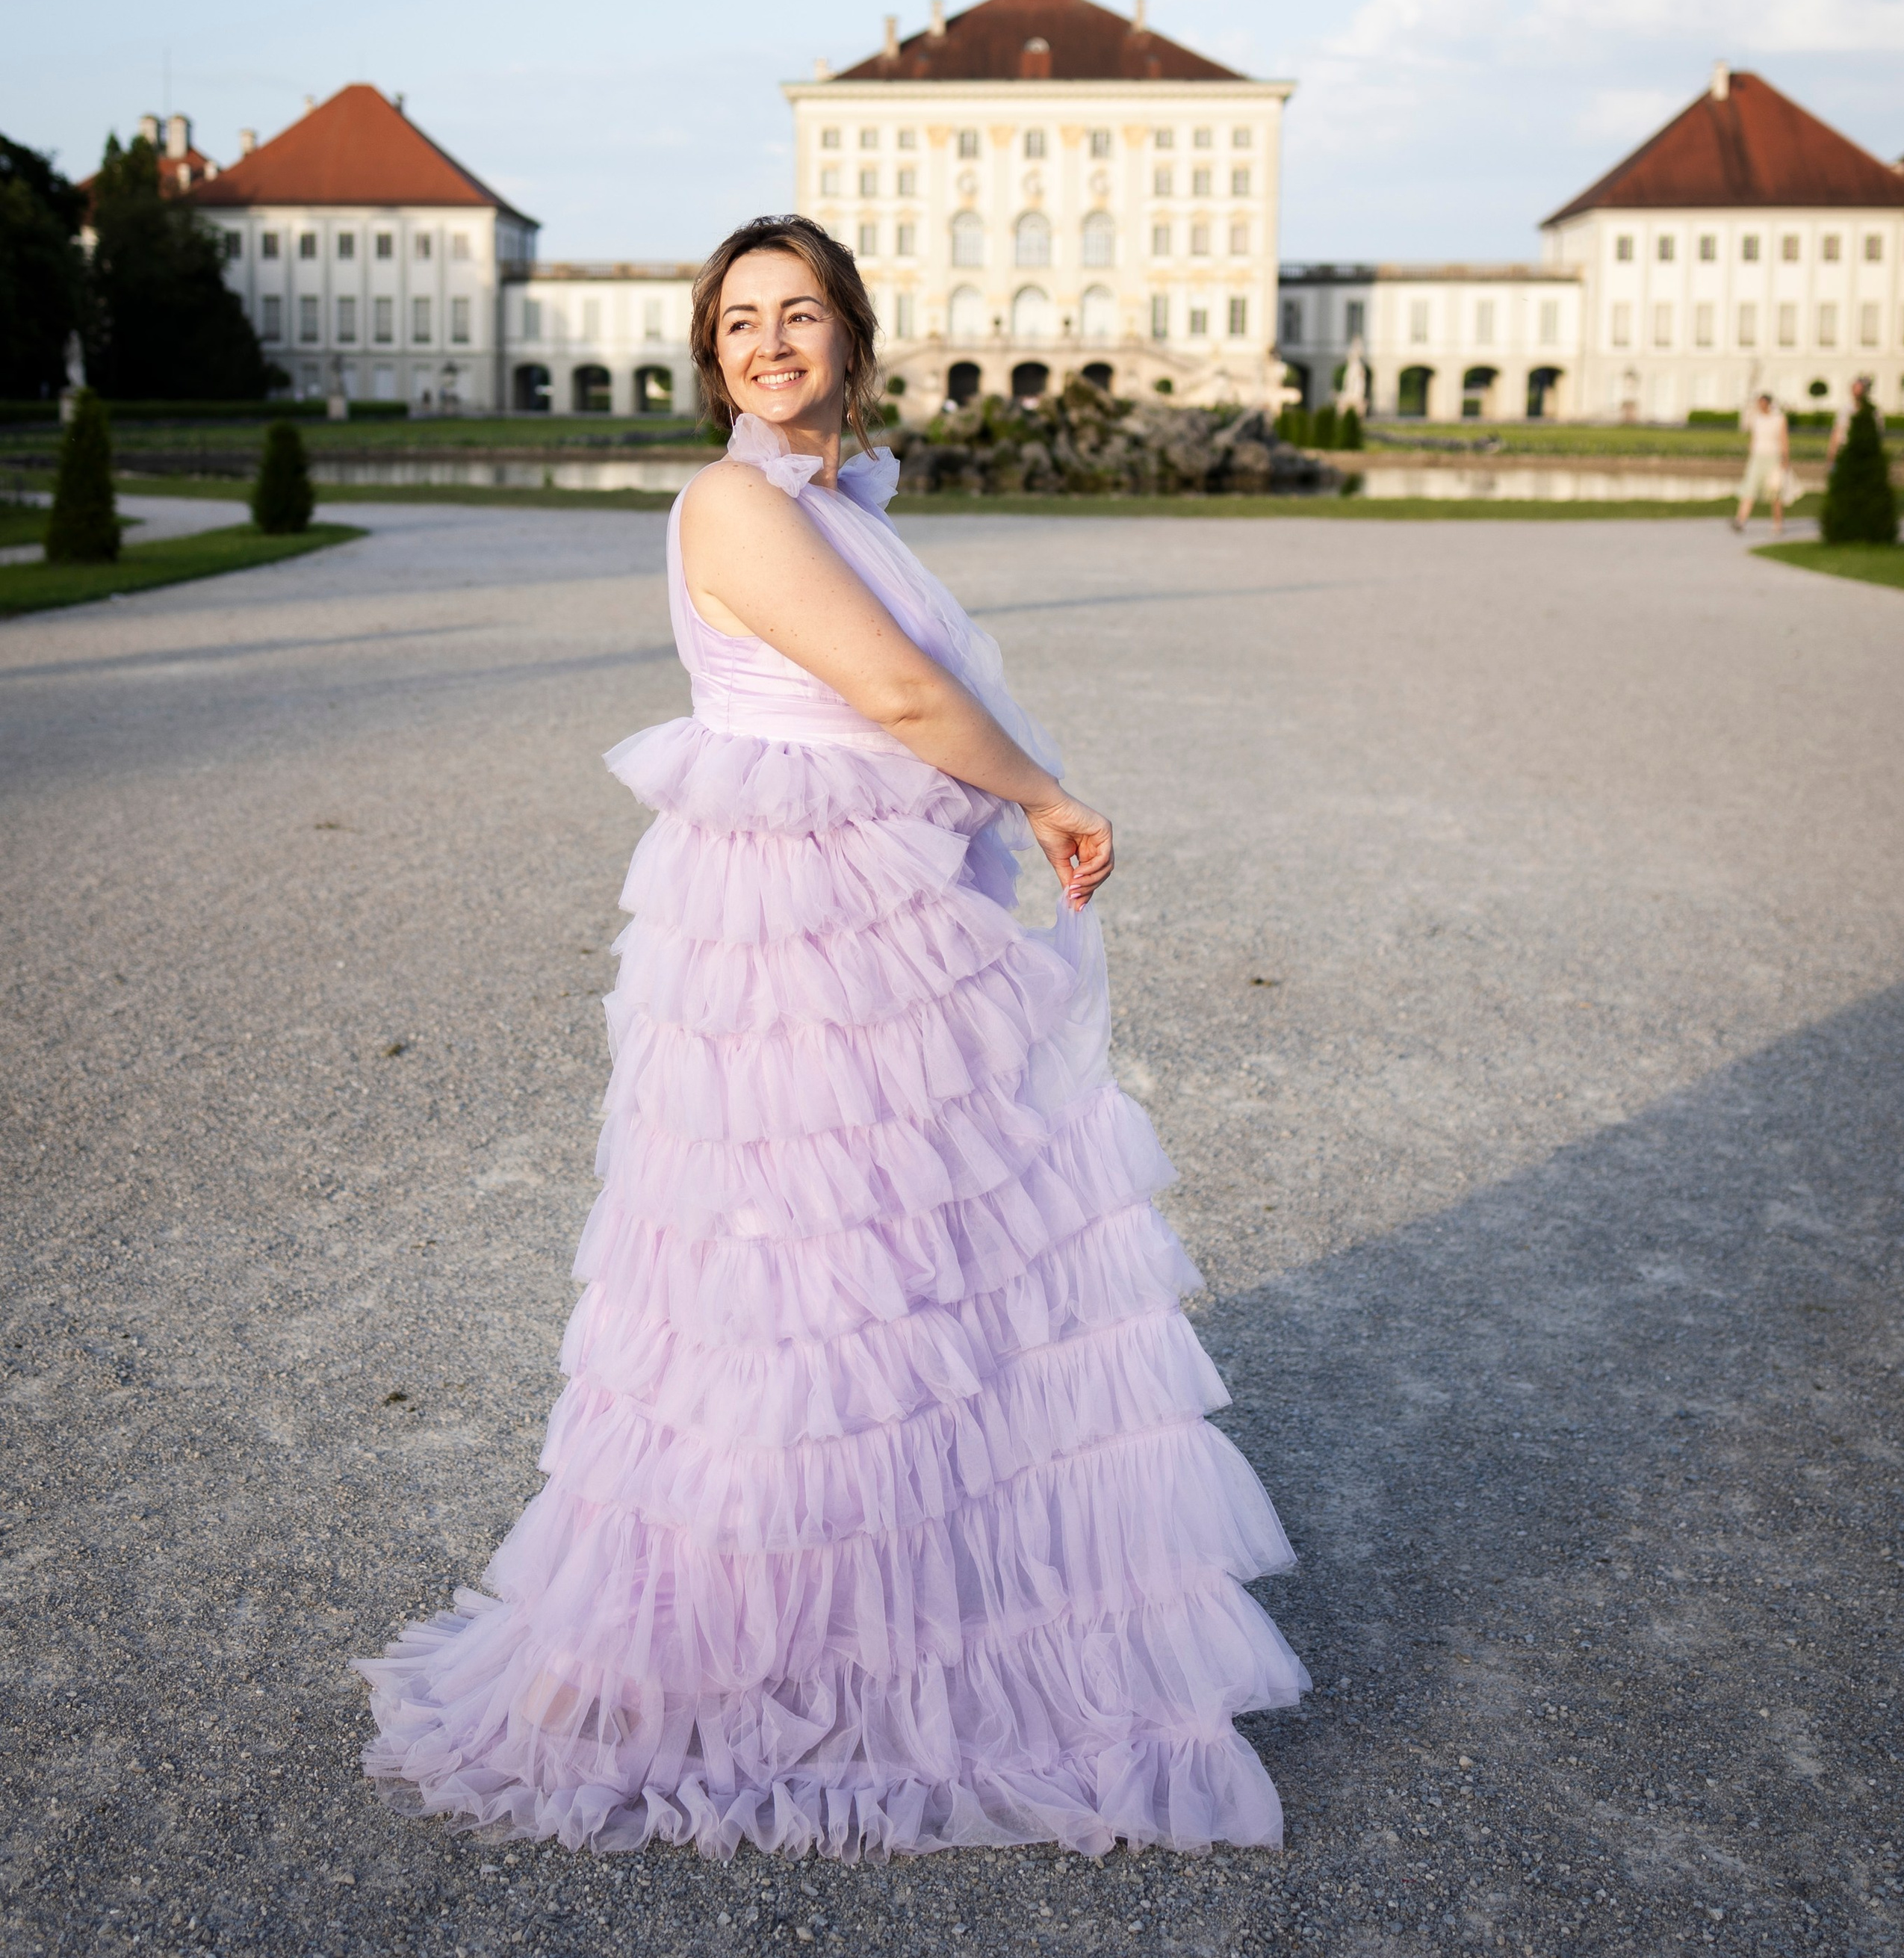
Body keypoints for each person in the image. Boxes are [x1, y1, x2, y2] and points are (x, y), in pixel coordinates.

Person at [357, 214, 1307, 1861]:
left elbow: (908, 691)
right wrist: (1052, 796)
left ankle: (883, 1598)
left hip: (868, 906)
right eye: (740, 322)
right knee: (807, 1277)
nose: (771, 343)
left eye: (800, 315)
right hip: (797, 924)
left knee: (885, 1275)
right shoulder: (730, 498)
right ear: (709, 355)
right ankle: (757, 1632)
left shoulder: (828, 503)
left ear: (851, 341)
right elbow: (896, 694)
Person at [1734, 390, 1790, 535]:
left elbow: (1784, 440)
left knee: (1775, 492)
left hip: (1773, 457)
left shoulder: (1779, 418)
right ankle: (1740, 520)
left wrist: (1785, 459)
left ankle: (1778, 524)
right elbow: (1754, 438)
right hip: (1758, 457)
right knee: (1749, 488)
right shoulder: (1756, 419)